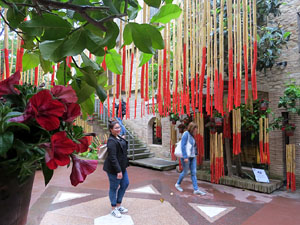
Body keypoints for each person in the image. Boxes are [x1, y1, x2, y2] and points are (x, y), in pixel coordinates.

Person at [103, 120, 129, 218]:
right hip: (114, 169)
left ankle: (119, 205)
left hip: (122, 167)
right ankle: (113, 208)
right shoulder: (111, 141)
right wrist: (118, 171)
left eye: (119, 127)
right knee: (114, 187)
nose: (119, 129)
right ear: (111, 130)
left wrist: (122, 139)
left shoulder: (118, 137)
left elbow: (123, 148)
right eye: (116, 128)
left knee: (125, 184)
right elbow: (113, 157)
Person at [175, 122, 206, 195]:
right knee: (185, 172)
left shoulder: (192, 136)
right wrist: (185, 157)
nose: (196, 130)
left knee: (194, 172)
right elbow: (183, 145)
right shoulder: (186, 134)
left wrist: (196, 154)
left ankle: (196, 189)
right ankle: (177, 184)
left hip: (192, 157)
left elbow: (193, 147)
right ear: (192, 128)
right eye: (195, 129)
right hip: (186, 157)